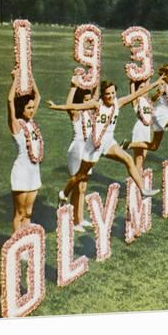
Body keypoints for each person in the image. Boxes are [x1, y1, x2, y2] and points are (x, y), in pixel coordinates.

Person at [48, 78, 162, 206]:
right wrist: (56, 107)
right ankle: (63, 193)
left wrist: (156, 83)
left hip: (109, 142)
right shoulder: (97, 105)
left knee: (128, 159)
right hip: (94, 144)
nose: (111, 96)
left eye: (113, 93)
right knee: (81, 175)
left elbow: (137, 94)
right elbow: (75, 106)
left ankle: (143, 190)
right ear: (103, 95)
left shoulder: (118, 103)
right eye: (108, 94)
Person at [52, 76, 97, 231]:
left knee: (83, 187)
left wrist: (95, 76)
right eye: (85, 100)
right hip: (77, 149)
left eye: (90, 99)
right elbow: (69, 104)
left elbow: (95, 97)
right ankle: (73, 221)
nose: (89, 102)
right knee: (77, 185)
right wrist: (72, 87)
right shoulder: (76, 112)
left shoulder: (90, 113)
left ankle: (80, 218)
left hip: (88, 149)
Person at [7, 70, 43, 233]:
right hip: (21, 171)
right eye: (29, 108)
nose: (32, 110)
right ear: (21, 109)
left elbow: (38, 96)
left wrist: (30, 76)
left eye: (32, 107)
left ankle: (26, 244)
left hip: (34, 171)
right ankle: (15, 247)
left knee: (28, 213)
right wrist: (15, 79)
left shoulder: (31, 122)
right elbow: (9, 100)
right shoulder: (16, 125)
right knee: (19, 213)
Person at [128, 79, 154, 174]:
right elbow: (132, 93)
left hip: (147, 131)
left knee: (142, 159)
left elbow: (148, 86)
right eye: (141, 88)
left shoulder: (147, 100)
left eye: (144, 87)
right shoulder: (136, 101)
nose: (144, 89)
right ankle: (137, 184)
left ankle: (137, 181)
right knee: (139, 158)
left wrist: (148, 74)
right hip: (139, 130)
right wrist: (131, 82)